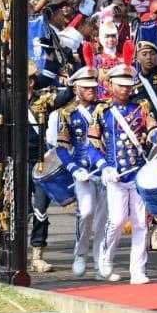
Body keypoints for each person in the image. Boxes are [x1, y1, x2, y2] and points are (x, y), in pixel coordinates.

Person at [87, 63, 157, 285]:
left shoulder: (142, 106)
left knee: (141, 224)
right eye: (121, 85)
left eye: (128, 85)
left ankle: (138, 269)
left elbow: (153, 128)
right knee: (116, 220)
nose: (126, 90)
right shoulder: (102, 110)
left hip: (138, 174)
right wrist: (103, 166)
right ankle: (105, 257)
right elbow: (91, 144)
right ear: (110, 85)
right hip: (115, 175)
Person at [51, 66, 107, 277]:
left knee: (104, 218)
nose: (91, 90)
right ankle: (80, 253)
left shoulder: (104, 109)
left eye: (93, 86)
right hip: (82, 170)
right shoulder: (67, 114)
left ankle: (100, 260)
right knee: (86, 212)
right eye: (86, 87)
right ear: (76, 89)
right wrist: (74, 169)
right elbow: (62, 147)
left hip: (104, 169)